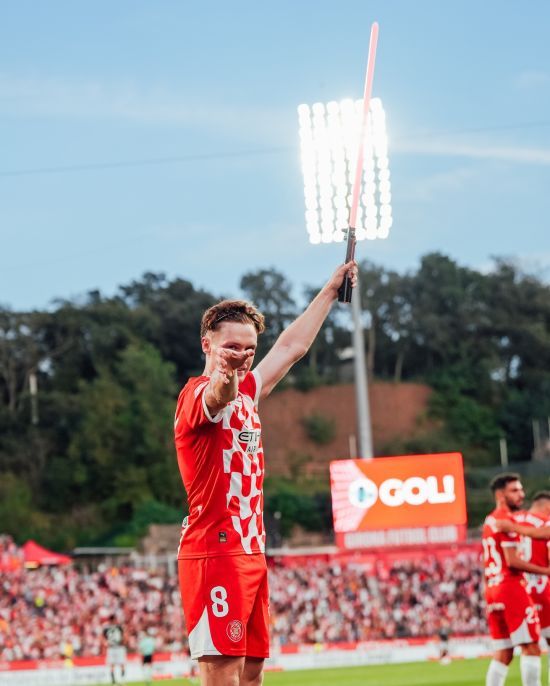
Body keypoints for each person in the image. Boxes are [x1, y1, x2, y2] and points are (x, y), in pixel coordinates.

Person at [174, 261, 357, 686]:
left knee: (253, 673)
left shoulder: (249, 392)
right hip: (216, 553)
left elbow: (292, 346)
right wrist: (225, 378)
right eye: (231, 347)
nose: (241, 356)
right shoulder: (196, 396)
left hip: (252, 550)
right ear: (206, 344)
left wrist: (330, 291)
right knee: (223, 674)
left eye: (249, 349)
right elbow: (218, 395)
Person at [482, 473, 550, 686]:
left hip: (493, 588)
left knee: (504, 652)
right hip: (511, 586)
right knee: (531, 646)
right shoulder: (507, 520)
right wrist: (546, 571)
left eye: (521, 490)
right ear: (500, 495)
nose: (521, 494)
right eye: (515, 490)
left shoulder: (490, 520)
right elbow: (512, 561)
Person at [498, 491, 550, 684]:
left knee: (523, 646)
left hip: (517, 589)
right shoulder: (545, 522)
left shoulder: (513, 519)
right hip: (542, 587)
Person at [103, 615, 126, 685]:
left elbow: (103, 638)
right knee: (120, 664)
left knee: (113, 664)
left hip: (112, 648)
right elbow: (124, 636)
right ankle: (121, 680)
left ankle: (114, 681)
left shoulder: (106, 628)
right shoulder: (119, 627)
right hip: (118, 647)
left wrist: (105, 643)